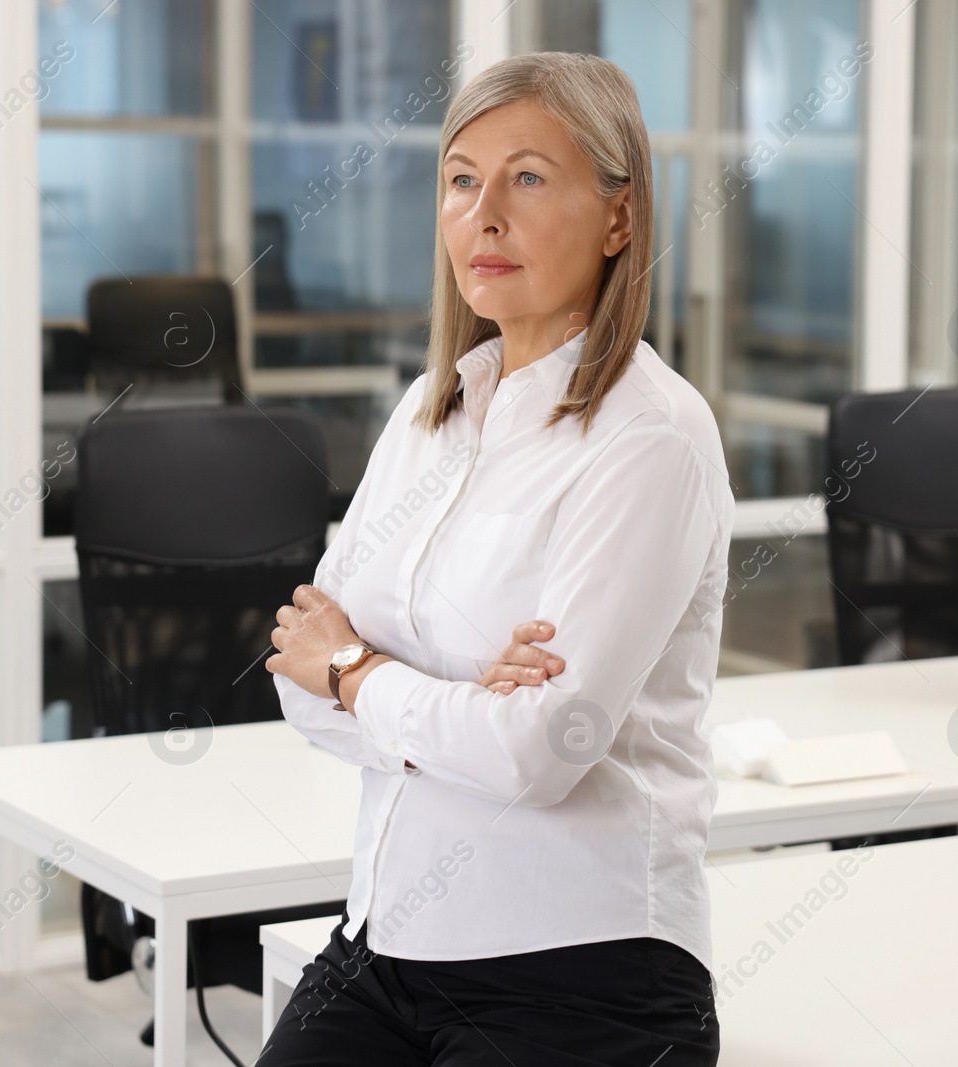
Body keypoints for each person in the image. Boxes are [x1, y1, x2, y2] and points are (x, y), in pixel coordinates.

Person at [263, 50, 733, 1067]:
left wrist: (362, 669)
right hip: (384, 945)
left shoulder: (649, 436)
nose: (484, 214)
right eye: (461, 178)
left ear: (619, 218)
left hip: (582, 972)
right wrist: (449, 697)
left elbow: (541, 751)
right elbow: (295, 676)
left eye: (527, 178)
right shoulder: (428, 416)